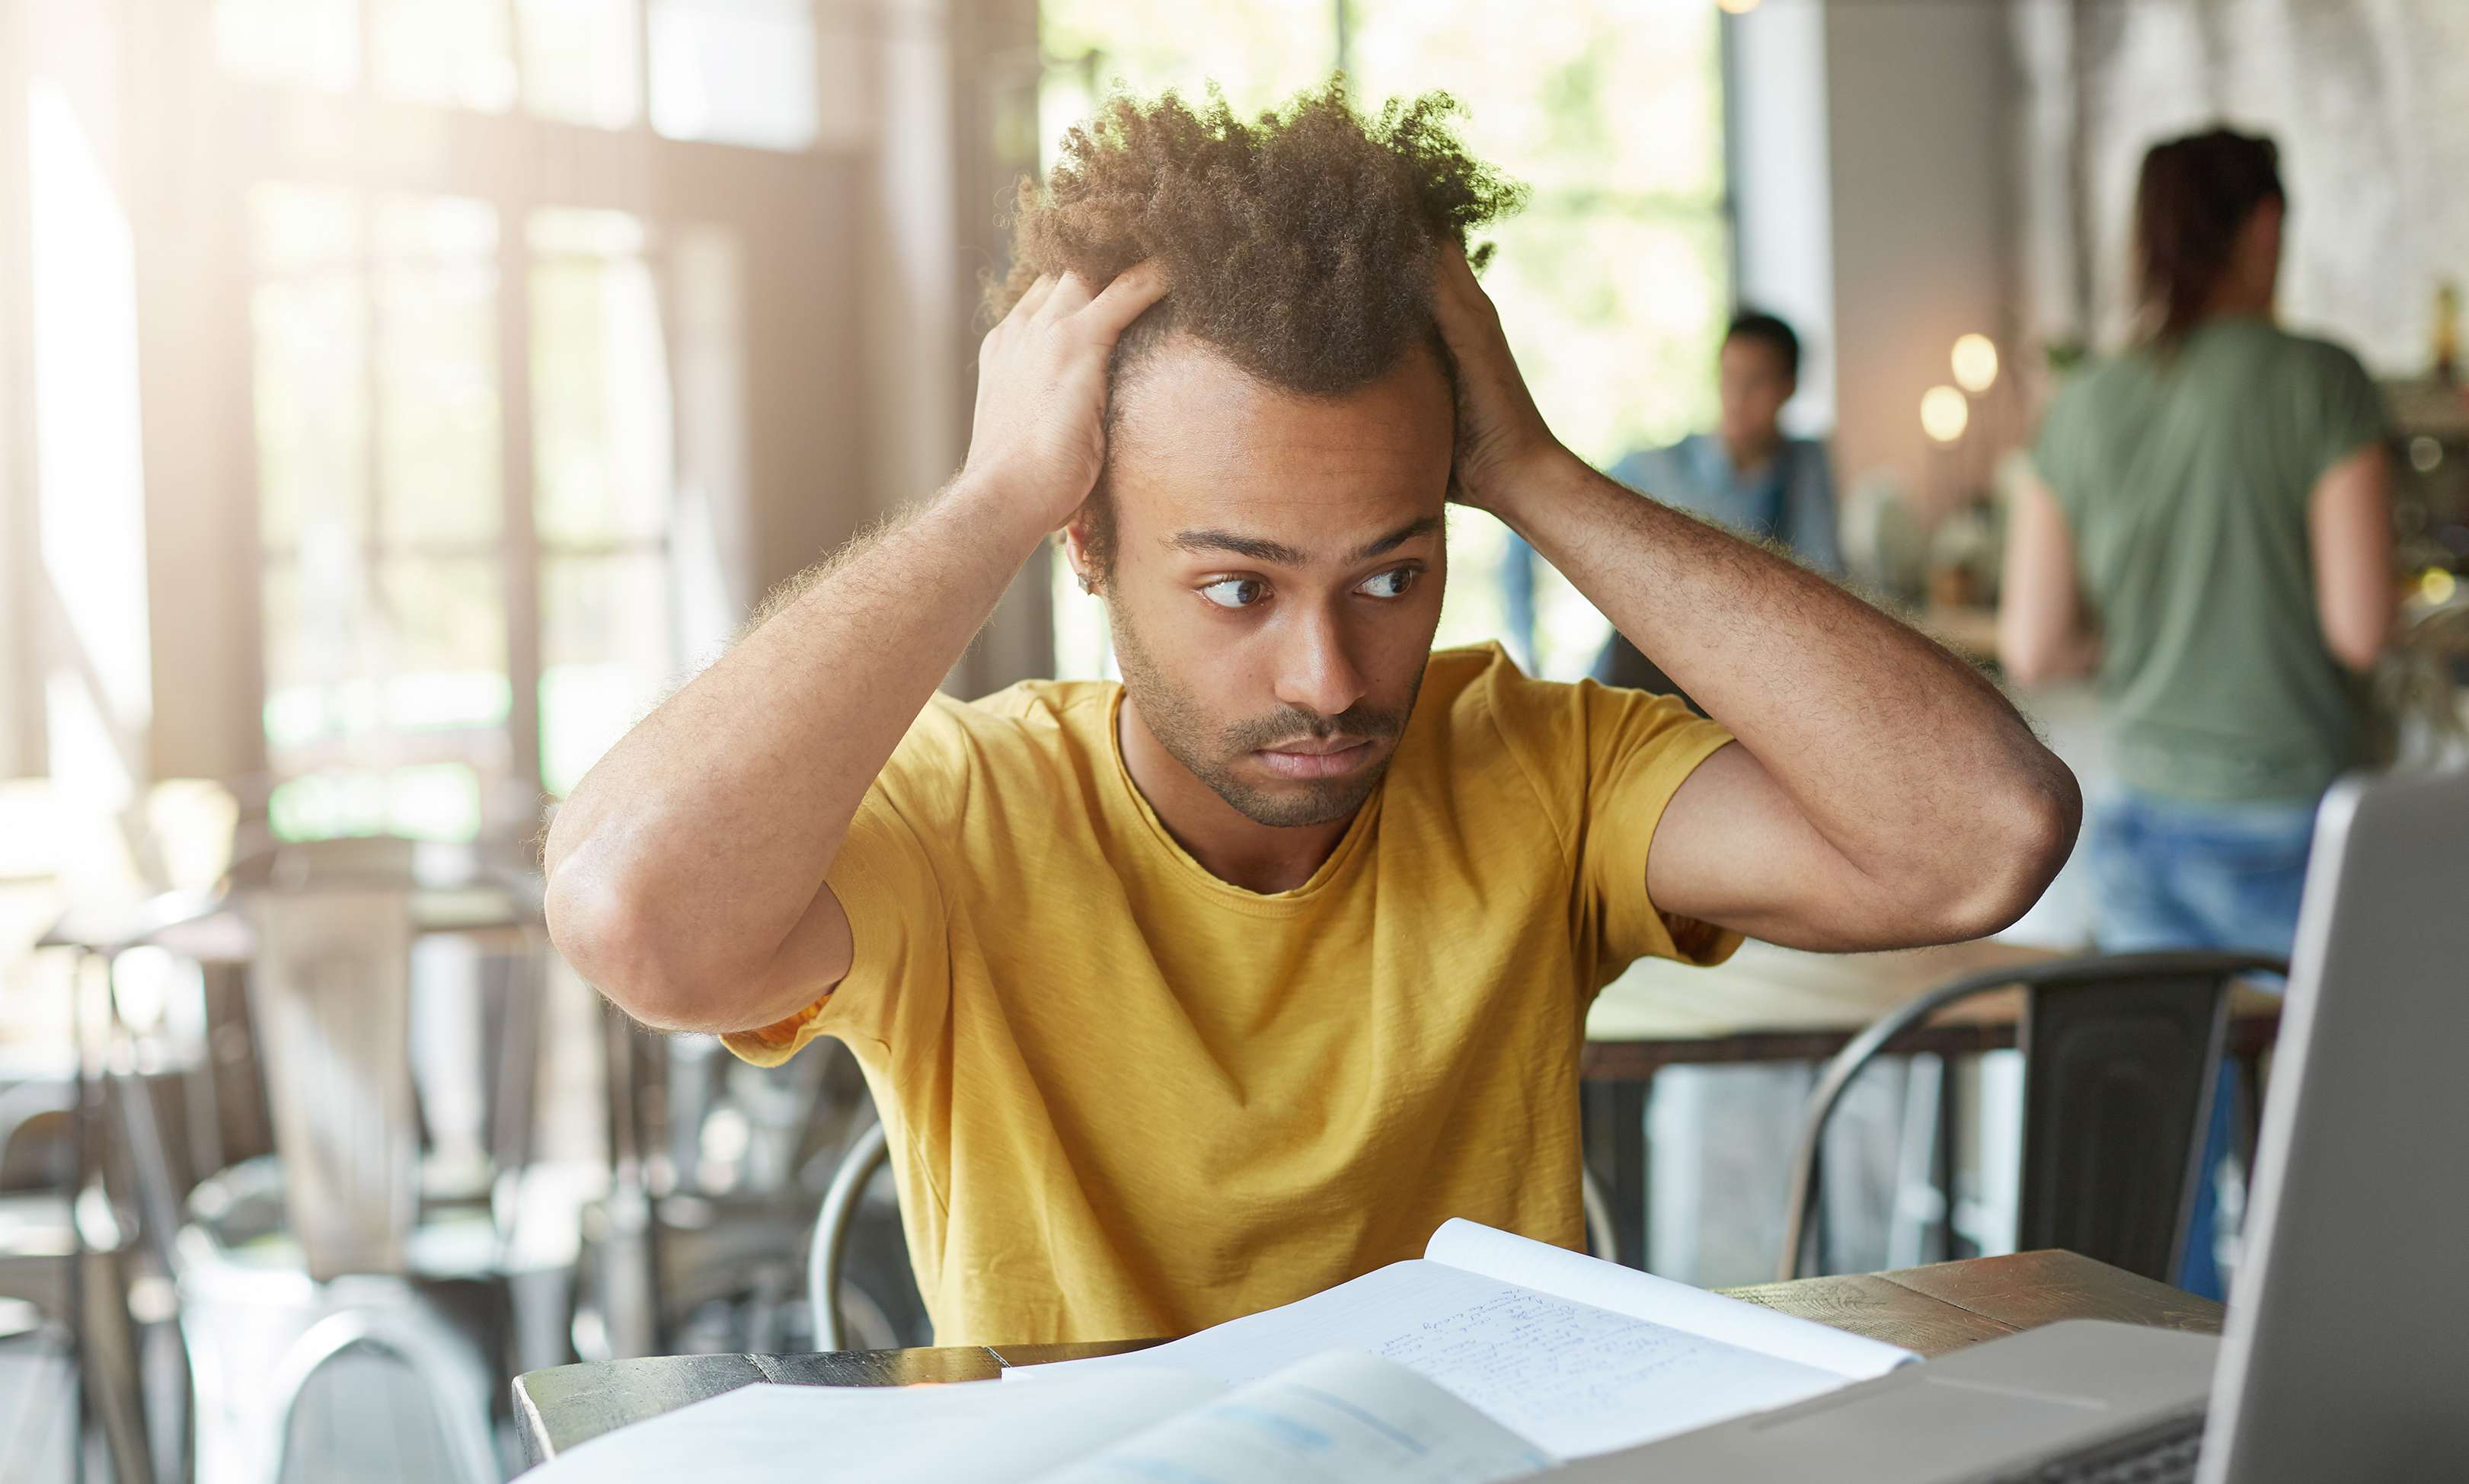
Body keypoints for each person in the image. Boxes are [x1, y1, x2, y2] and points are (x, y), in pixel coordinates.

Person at [546, 84, 2079, 1348]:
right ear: (1088, 547)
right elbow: (634, 915)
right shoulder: (968, 812)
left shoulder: (1537, 768)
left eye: (1393, 574)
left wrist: (1540, 476)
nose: (1332, 679)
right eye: (1238, 590)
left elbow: (1979, 840)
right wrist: (987, 499)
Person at [1998, 126, 2392, 1298]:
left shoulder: (2083, 404)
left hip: (2145, 834)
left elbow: (2033, 640)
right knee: (2333, 1163)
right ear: (2264, 227)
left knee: (2165, 1172)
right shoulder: (2318, 380)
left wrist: (2160, 629)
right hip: (2298, 837)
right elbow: (2360, 622)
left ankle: (2172, 1426)